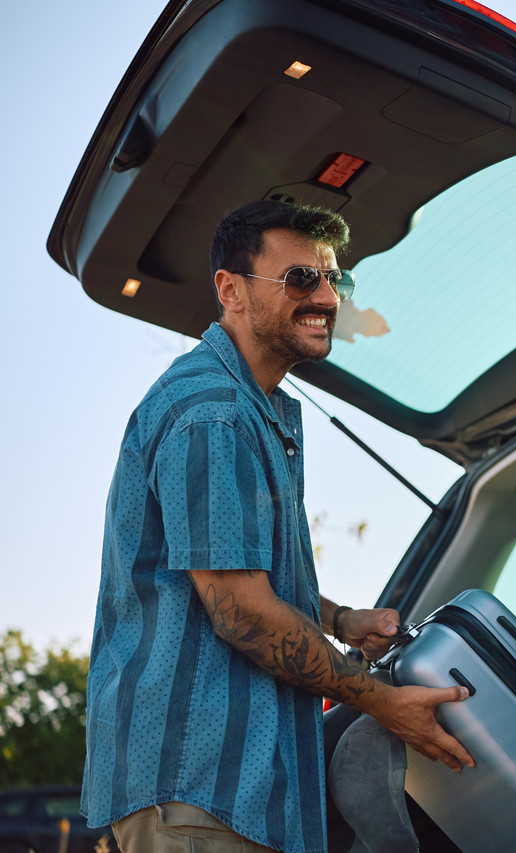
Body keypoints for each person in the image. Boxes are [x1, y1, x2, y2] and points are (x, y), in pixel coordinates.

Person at [82, 200, 474, 853]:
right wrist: (382, 701)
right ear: (230, 290)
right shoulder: (212, 412)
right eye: (300, 279)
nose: (325, 295)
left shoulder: (252, 409)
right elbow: (242, 612)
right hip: (200, 786)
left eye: (333, 279)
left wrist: (340, 618)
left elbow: (233, 567)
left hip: (236, 789)